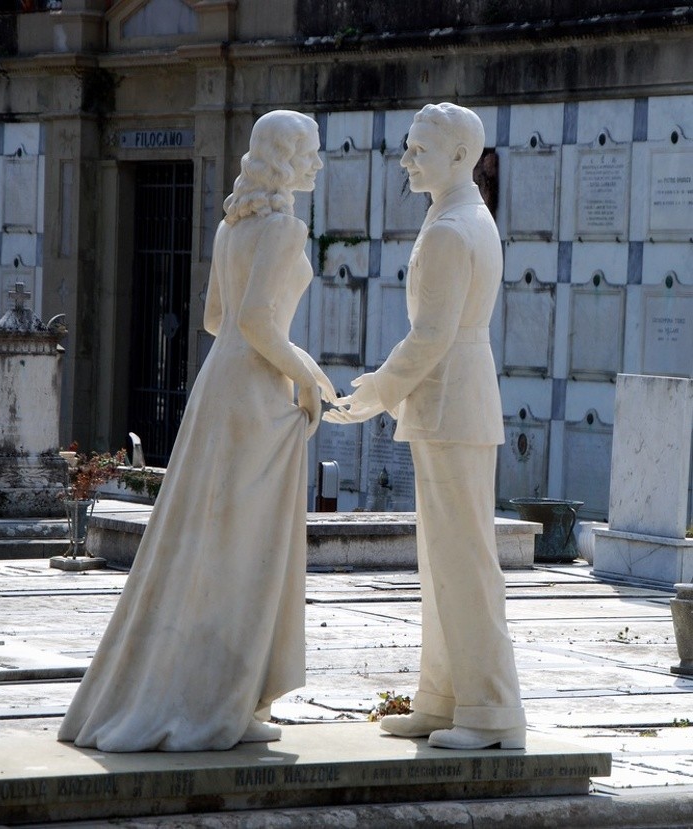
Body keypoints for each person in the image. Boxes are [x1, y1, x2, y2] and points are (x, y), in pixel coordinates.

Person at [58, 110, 335, 751]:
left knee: (208, 544)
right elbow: (265, 327)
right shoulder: (285, 230)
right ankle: (222, 700)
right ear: (287, 159)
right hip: (258, 395)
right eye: (311, 154)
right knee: (243, 554)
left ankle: (207, 689)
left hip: (219, 385)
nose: (317, 165)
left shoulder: (230, 228)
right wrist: (309, 374)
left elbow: (216, 320)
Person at [324, 103, 526, 750]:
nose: (407, 160)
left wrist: (379, 389)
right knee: (442, 562)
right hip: (454, 403)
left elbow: (432, 335)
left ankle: (490, 711)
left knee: (464, 563)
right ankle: (444, 698)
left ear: (461, 157)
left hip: (451, 401)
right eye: (408, 149)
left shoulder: (451, 229)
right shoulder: (462, 215)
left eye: (419, 151)